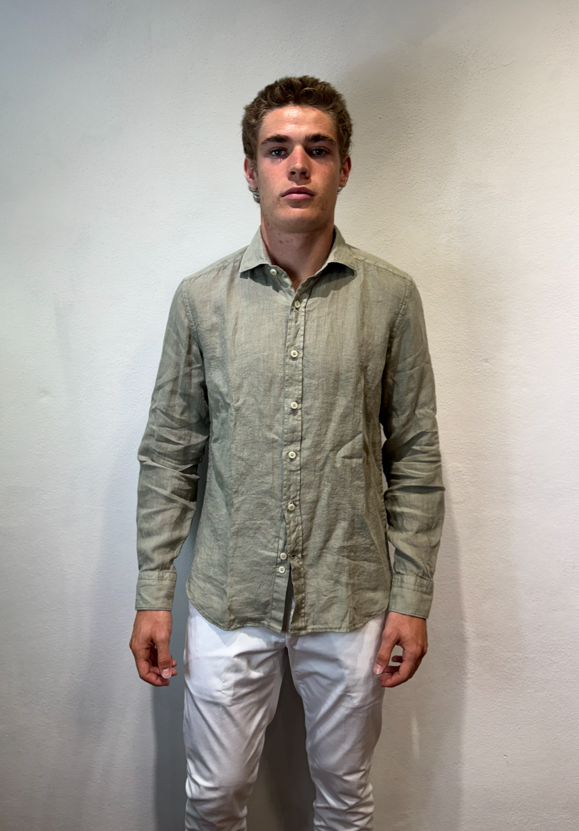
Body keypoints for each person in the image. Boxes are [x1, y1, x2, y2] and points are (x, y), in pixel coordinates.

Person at [129, 75, 445, 830]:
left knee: (345, 800)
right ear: (251, 170)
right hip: (228, 595)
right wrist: (152, 591)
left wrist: (411, 598)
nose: (297, 164)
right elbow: (170, 451)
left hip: (350, 594)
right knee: (212, 797)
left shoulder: (391, 297)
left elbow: (415, 453)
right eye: (277, 150)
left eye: (317, 148)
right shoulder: (201, 299)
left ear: (343, 167)